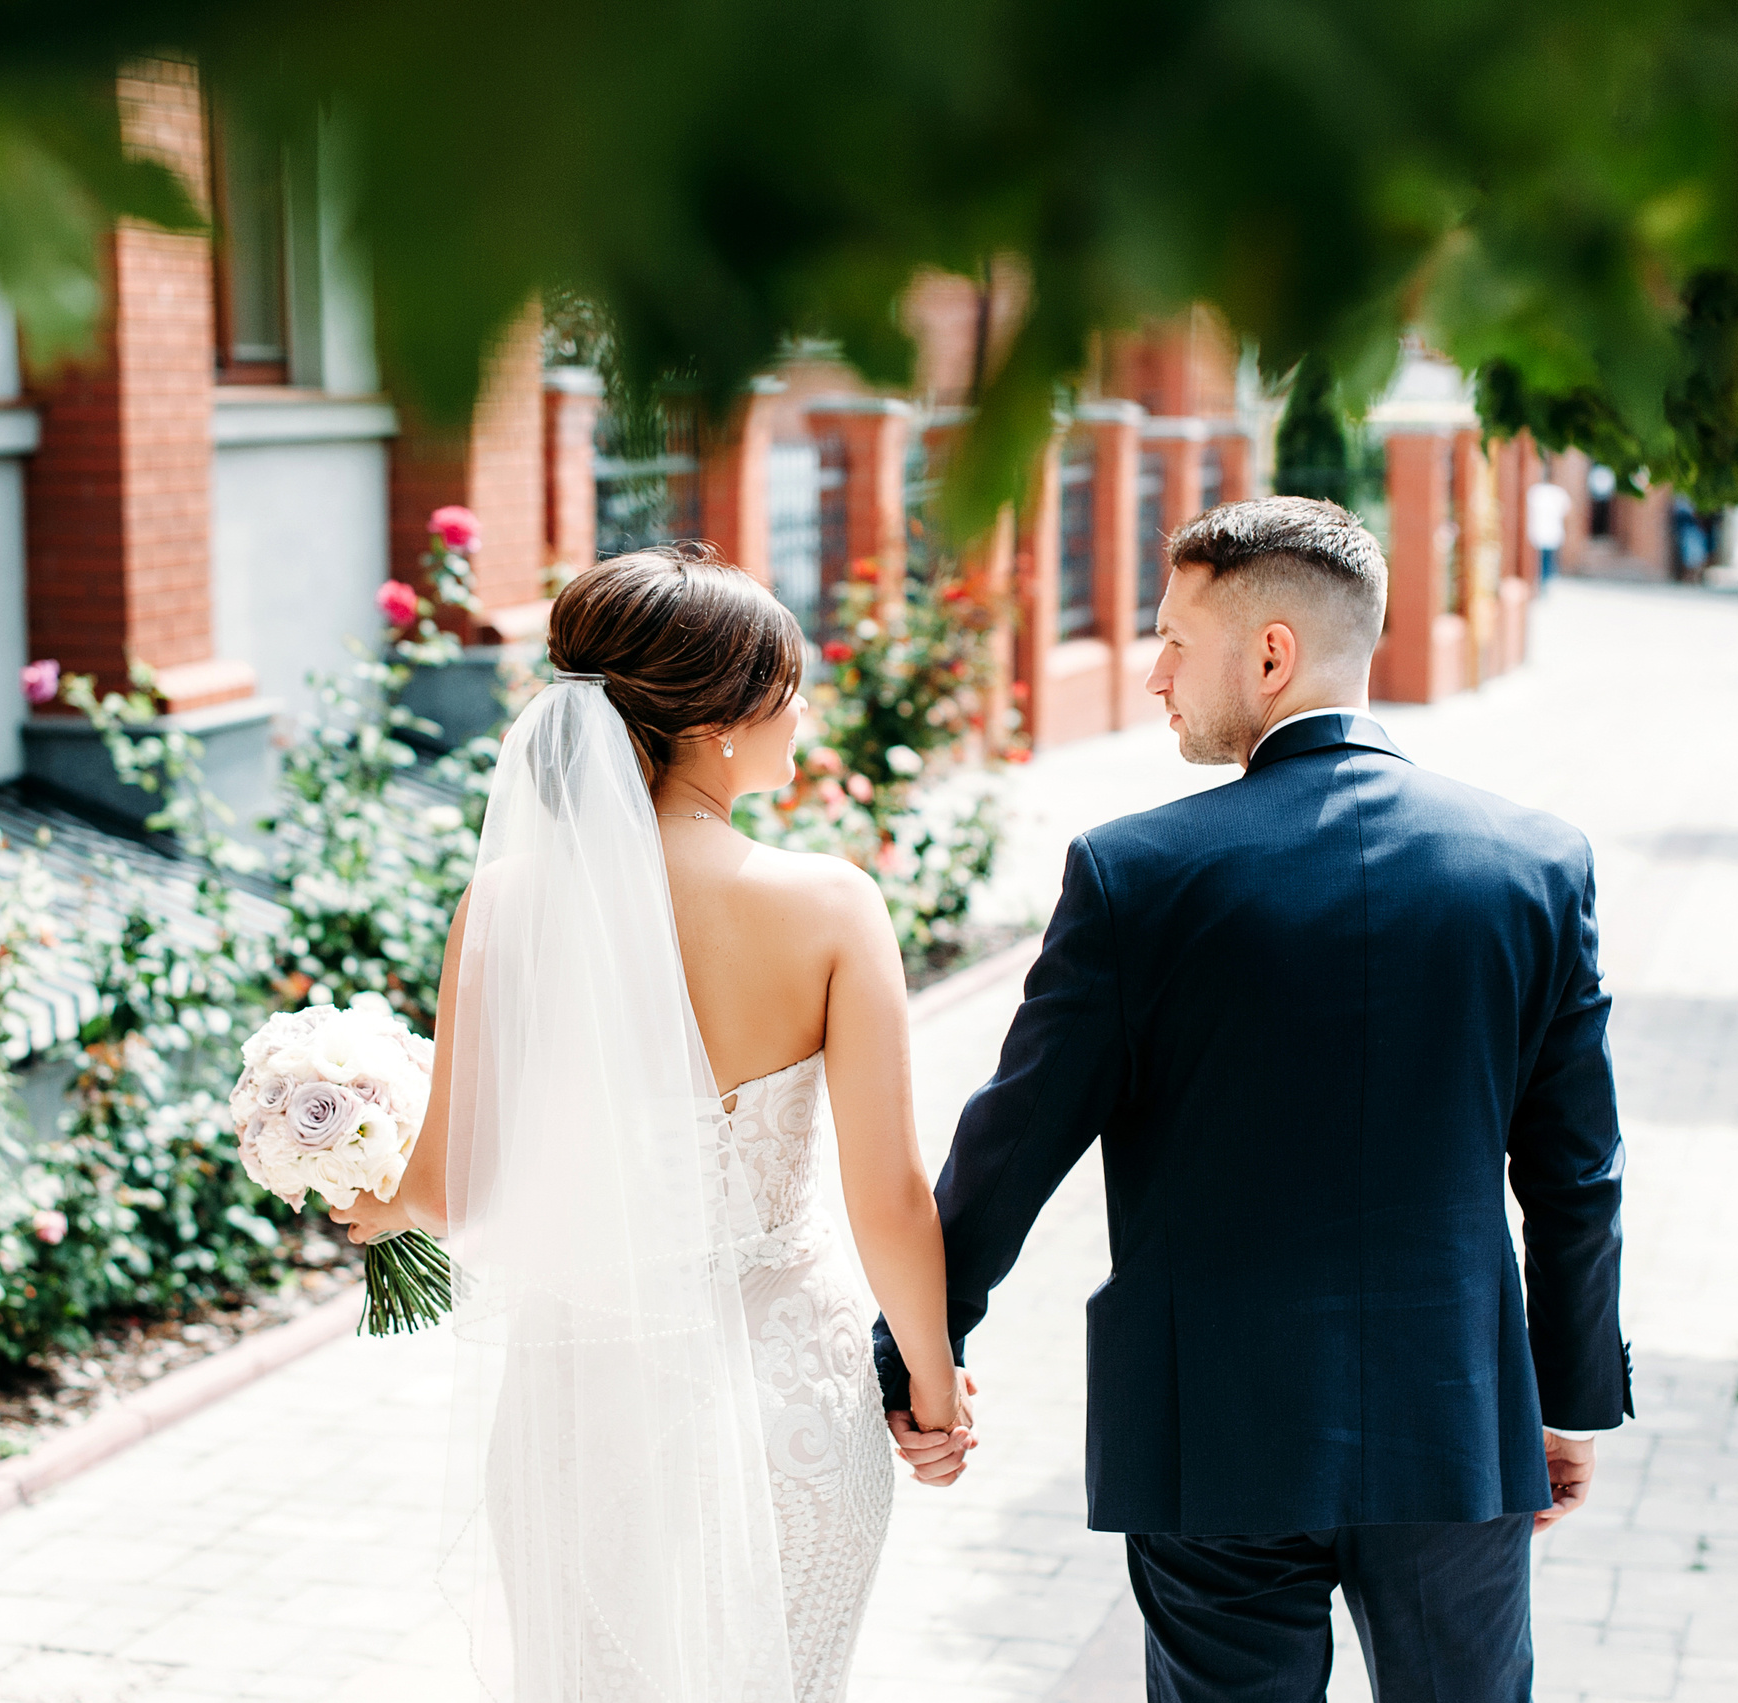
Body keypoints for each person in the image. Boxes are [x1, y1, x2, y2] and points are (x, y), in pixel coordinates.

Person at [877, 497, 1630, 1703]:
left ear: (1270, 652)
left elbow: (1010, 1146)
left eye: (1175, 637)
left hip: (1212, 1429)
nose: (1154, 670)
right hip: (1457, 1417)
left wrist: (919, 1350)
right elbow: (1575, 1172)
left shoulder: (1136, 874)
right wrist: (1569, 1394)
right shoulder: (1534, 863)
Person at [334, 545, 974, 1703]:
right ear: (720, 721)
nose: (805, 708)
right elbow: (888, 1198)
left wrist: (361, 1185)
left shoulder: (505, 904)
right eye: (788, 684)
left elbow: (451, 1191)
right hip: (785, 1396)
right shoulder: (830, 904)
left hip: (582, 1408)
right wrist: (934, 1388)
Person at [1526, 465, 1571, 591]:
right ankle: (1544, 583)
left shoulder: (1535, 491)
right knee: (1547, 560)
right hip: (1551, 532)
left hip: (1538, 531)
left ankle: (1541, 583)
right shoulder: (1558, 492)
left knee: (1539, 560)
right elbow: (1567, 513)